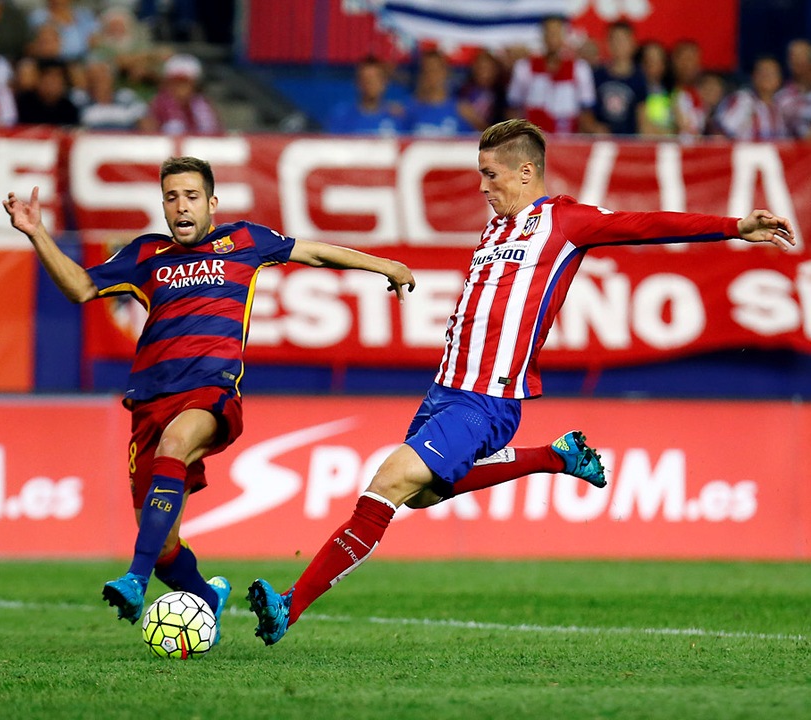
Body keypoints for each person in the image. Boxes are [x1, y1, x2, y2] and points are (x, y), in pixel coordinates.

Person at [246, 118, 795, 646]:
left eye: (491, 174)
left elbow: (643, 225)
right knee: (421, 496)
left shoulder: (564, 221)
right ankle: (557, 457)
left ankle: (288, 606)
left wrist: (735, 227)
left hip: (489, 399)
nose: (483, 186)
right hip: (444, 392)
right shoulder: (494, 232)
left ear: (526, 172)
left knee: (387, 483)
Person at [2, 156, 416, 638]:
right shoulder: (144, 255)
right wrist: (35, 232)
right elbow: (78, 288)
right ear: (162, 205)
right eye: (172, 197)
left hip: (210, 393)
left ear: (212, 203)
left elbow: (317, 253)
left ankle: (135, 581)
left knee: (176, 446)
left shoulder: (244, 242)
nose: (182, 206)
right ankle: (205, 597)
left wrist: (385, 264)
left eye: (192, 196)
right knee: (163, 545)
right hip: (150, 401)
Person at [506, 14, 597, 135]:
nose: (552, 38)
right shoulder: (524, 67)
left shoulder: (580, 68)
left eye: (556, 33)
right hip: (533, 139)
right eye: (548, 33)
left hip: (567, 139)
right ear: (542, 36)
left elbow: (586, 112)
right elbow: (513, 108)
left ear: (564, 36)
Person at [141, 52, 222, 135]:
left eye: (185, 82)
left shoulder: (203, 105)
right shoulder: (157, 106)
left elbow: (216, 134)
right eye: (175, 82)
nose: (180, 87)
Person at [591, 20, 647, 135]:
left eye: (623, 40)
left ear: (633, 44)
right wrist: (594, 127)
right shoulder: (597, 75)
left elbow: (642, 116)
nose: (618, 45)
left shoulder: (640, 78)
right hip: (600, 142)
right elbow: (586, 113)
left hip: (629, 143)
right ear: (607, 43)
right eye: (614, 40)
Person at [714, 56, 788, 141]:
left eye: (772, 73)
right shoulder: (742, 100)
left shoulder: (780, 106)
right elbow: (722, 131)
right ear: (754, 76)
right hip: (745, 152)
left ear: (779, 79)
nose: (767, 77)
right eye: (763, 72)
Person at [402, 48, 473, 137]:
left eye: (436, 70)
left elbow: (487, 141)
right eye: (427, 70)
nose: (432, 75)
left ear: (445, 72)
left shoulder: (461, 109)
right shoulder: (409, 109)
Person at [326, 55, 404, 135]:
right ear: (357, 83)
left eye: (376, 79)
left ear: (384, 83)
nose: (371, 84)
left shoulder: (398, 116)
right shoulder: (342, 116)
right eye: (366, 79)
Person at [775, 38, 811, 140]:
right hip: (794, 152)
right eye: (793, 57)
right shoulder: (781, 97)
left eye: (803, 57)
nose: (797, 61)